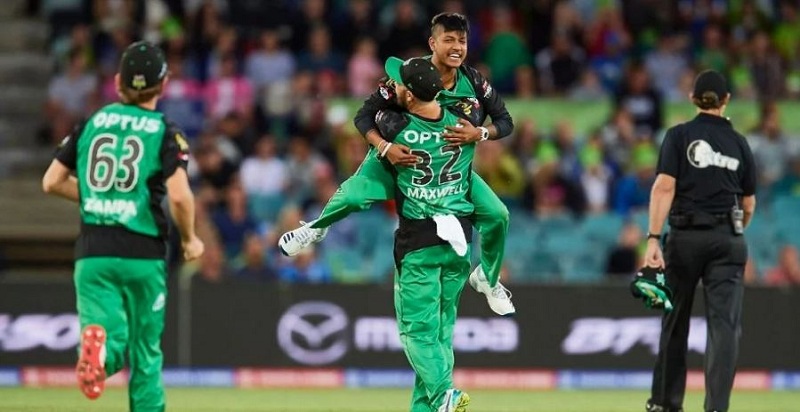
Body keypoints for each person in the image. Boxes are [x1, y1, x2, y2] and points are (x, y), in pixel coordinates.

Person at [279, 12, 516, 316]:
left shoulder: (473, 81)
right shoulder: (408, 76)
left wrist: (479, 133)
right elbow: (363, 116)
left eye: (462, 41)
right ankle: (317, 227)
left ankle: (487, 278)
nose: (457, 47)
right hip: (394, 161)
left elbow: (505, 121)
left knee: (498, 215)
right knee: (353, 197)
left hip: (448, 172)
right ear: (433, 43)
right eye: (449, 40)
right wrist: (385, 147)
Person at [41, 41, 205, 410]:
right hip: (143, 253)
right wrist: (191, 239)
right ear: (163, 85)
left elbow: (51, 181)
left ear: (118, 83)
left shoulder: (92, 123)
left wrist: (99, 198)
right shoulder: (164, 130)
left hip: (94, 252)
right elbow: (180, 196)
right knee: (145, 353)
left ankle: (99, 355)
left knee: (107, 337)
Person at [642, 70, 757, 412]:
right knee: (724, 329)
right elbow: (749, 204)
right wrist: (733, 231)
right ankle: (717, 408)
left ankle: (665, 404)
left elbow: (664, 187)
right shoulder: (740, 143)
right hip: (727, 239)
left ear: (693, 99)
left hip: (685, 238)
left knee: (675, 321)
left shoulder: (679, 135)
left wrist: (653, 238)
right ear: (726, 101)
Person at [377, 55, 473, 412]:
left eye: (400, 83)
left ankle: (444, 393)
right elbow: (488, 117)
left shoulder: (396, 128)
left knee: (416, 333)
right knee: (441, 332)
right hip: (460, 239)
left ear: (410, 94)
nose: (394, 85)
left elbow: (367, 116)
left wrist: (388, 101)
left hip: (419, 241)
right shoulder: (462, 125)